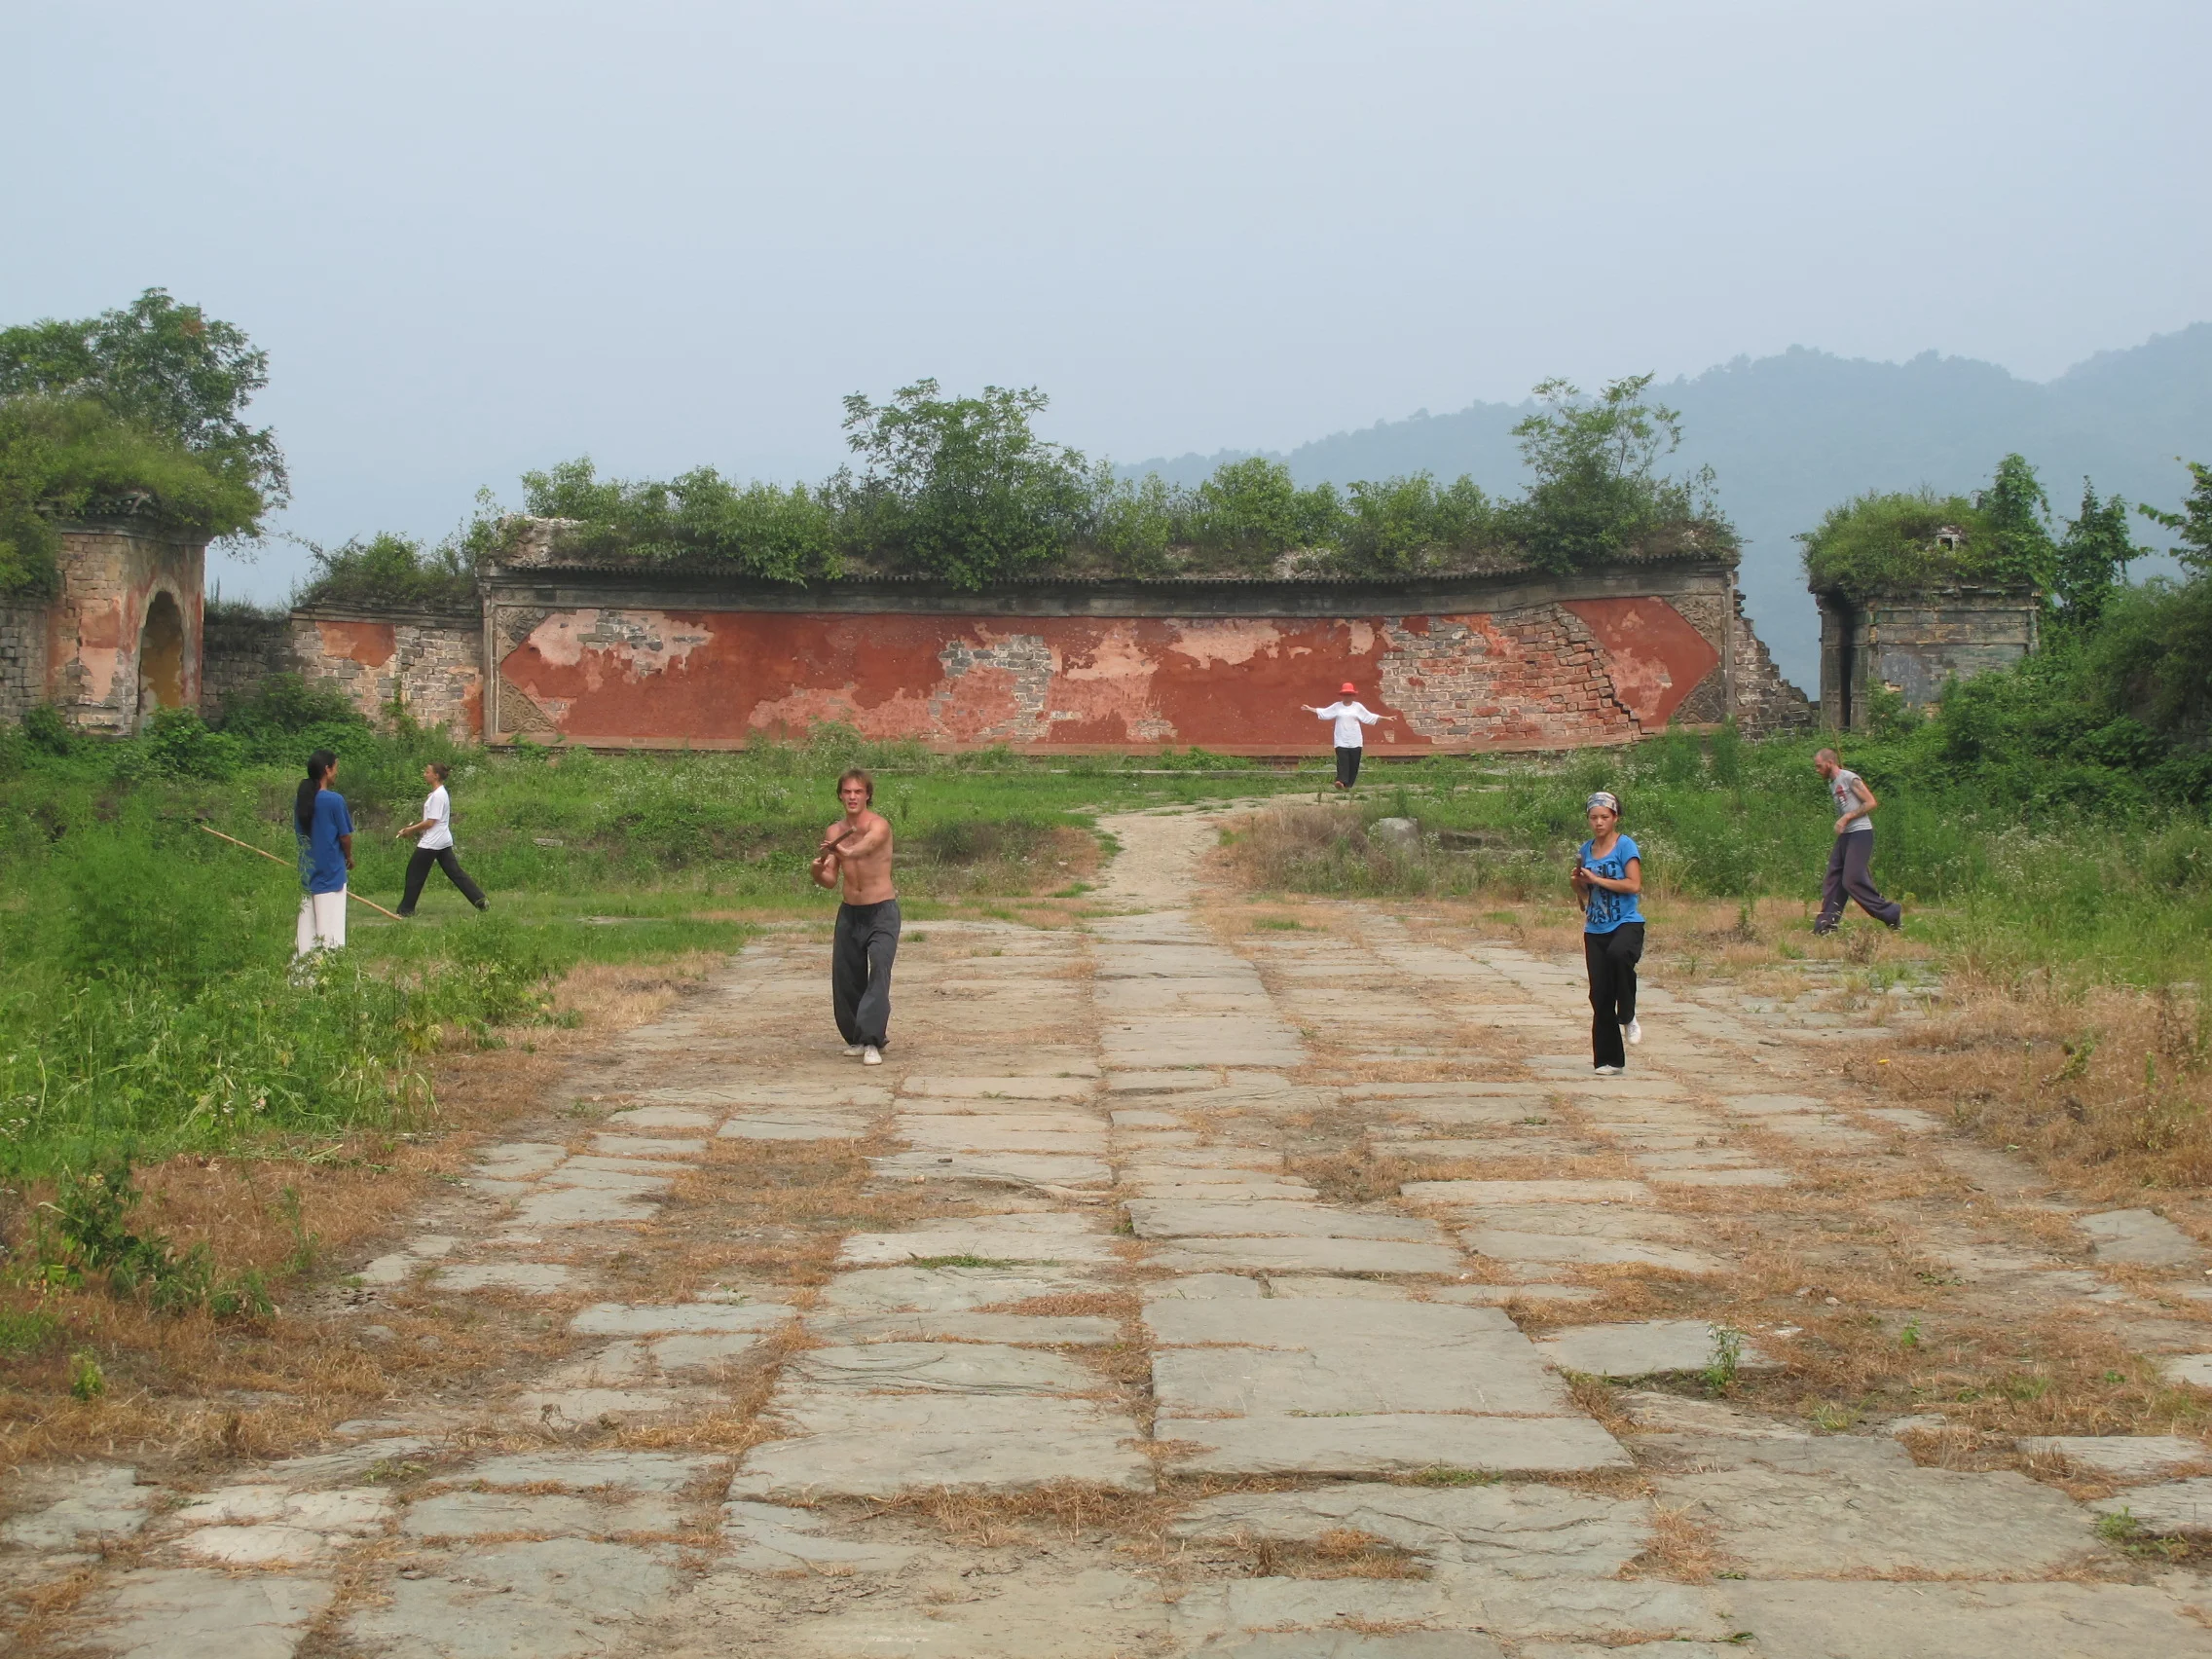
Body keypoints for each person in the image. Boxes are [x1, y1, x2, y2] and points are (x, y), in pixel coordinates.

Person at [810, 766, 899, 1066]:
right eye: (847, 791)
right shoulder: (834, 832)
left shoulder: (879, 825)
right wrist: (816, 869)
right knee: (846, 977)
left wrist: (843, 852)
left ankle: (874, 1040)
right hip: (850, 912)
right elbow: (830, 880)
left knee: (879, 970)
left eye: (858, 791)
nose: (852, 796)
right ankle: (858, 1038)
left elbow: (865, 847)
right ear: (839, 795)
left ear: (867, 795)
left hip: (881, 910)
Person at [1570, 790, 1643, 1075]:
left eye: (1604, 817)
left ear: (1615, 817)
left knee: (1618, 955)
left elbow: (1633, 885)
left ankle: (1628, 1013)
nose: (1598, 822)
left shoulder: (1625, 846)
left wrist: (1598, 879)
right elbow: (1585, 894)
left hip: (1626, 922)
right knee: (1599, 994)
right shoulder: (1586, 850)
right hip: (1596, 926)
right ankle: (1608, 1060)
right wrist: (1577, 882)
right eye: (1593, 817)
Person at [1813, 748, 1901, 934]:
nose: (1817, 770)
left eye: (1819, 766)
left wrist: (1846, 818)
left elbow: (1871, 802)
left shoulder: (1849, 778)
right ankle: (1826, 925)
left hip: (1861, 834)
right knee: (1833, 878)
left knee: (1852, 880)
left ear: (1830, 763)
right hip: (1846, 836)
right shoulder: (1833, 783)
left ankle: (1891, 913)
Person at [394, 761, 490, 916]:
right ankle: (480, 901)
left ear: (436, 775)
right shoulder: (438, 794)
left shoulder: (439, 795)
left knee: (414, 872)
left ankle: (406, 910)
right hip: (441, 840)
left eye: (427, 772)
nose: (425, 774)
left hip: (433, 841)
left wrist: (410, 830)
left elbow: (431, 822)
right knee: (455, 873)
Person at [294, 748, 353, 958]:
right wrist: (349, 857)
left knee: (307, 932)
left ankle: (303, 975)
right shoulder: (334, 800)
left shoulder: (302, 799)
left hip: (307, 871)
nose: (336, 772)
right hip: (331, 873)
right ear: (327, 770)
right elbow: (345, 837)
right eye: (335, 768)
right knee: (331, 932)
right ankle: (330, 975)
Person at [1301, 682, 1394, 790]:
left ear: (1353, 695)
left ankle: (1348, 786)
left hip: (1355, 740)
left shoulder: (1357, 707)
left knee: (1354, 763)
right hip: (1341, 739)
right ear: (1342, 695)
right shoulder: (1337, 706)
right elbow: (1325, 712)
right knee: (1342, 761)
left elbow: (1369, 716)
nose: (1347, 697)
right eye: (1345, 694)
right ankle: (1340, 781)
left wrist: (1385, 718)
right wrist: (1310, 709)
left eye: (1349, 694)